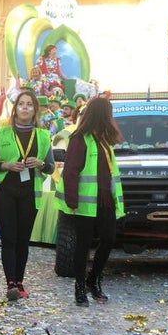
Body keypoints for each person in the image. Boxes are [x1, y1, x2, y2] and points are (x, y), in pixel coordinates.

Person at [0, 89, 55, 302]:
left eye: (29, 104)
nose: (25, 107)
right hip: (5, 191)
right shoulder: (1, 133)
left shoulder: (43, 135)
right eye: (21, 104)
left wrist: (41, 164)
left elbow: (50, 167)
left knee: (23, 239)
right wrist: (6, 165)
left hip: (30, 192)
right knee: (9, 238)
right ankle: (10, 283)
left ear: (35, 110)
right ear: (15, 109)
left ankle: (20, 281)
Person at [61, 96, 124, 307]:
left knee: (108, 239)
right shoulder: (80, 139)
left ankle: (93, 279)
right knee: (83, 246)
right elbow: (70, 171)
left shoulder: (106, 140)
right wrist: (72, 200)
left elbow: (111, 174)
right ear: (102, 115)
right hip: (85, 202)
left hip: (105, 201)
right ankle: (80, 286)